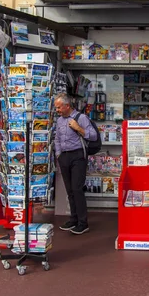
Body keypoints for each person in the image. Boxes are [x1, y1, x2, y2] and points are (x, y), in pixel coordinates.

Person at [54, 93, 98, 235]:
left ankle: (82, 223)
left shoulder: (81, 118)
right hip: (64, 156)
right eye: (56, 108)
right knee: (70, 190)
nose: (57, 110)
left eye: (59, 107)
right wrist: (58, 154)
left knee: (77, 189)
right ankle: (73, 219)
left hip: (78, 155)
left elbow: (93, 135)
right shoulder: (60, 120)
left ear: (67, 106)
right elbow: (57, 138)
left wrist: (78, 128)